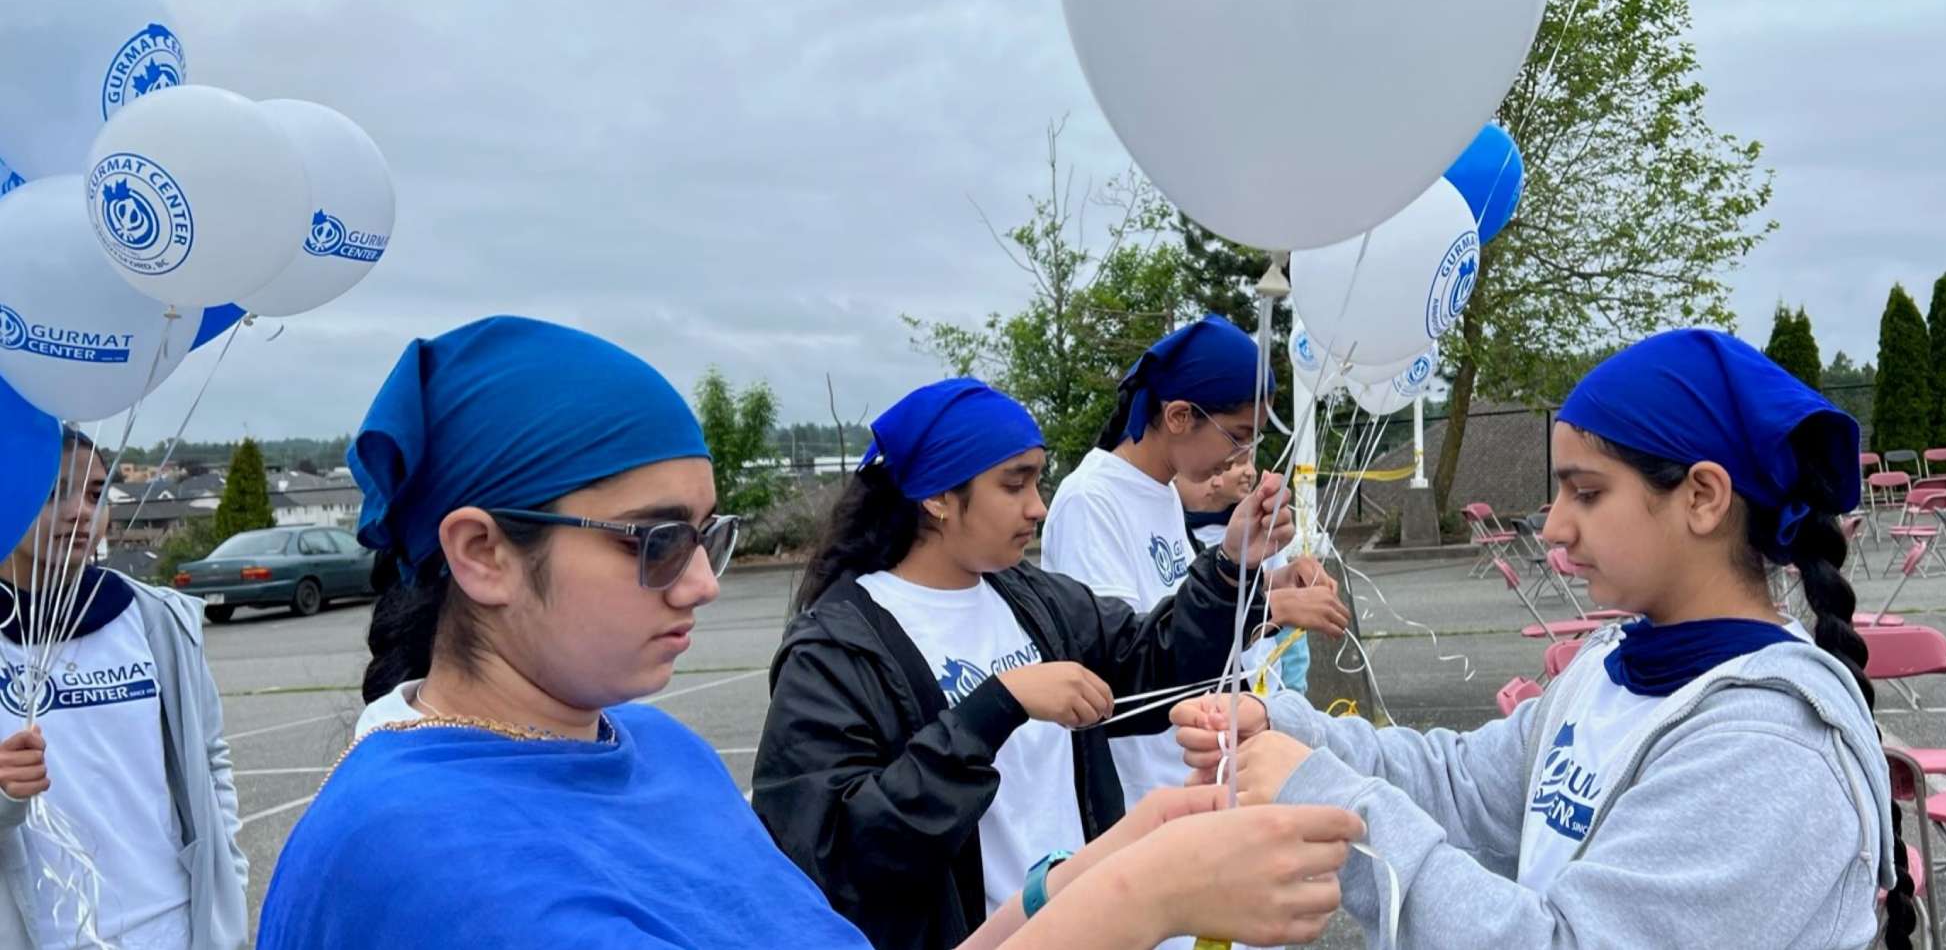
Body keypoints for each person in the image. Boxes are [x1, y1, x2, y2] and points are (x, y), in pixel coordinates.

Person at [258, 317, 1359, 950]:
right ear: (483, 553)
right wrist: (1138, 897)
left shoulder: (654, 748)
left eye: (708, 535)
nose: (701, 583)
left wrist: (1100, 866)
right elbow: (852, 859)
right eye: (655, 541)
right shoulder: (422, 852)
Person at [1174, 329, 1915, 949]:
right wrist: (1289, 731)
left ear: (1702, 497)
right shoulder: (1613, 666)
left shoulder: (1766, 753)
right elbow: (1466, 788)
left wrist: (1327, 796)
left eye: (1587, 493)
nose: (1556, 526)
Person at [754, 377, 1302, 950]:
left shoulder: (1030, 597)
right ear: (937, 497)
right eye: (1014, 484)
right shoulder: (836, 651)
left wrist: (1229, 567)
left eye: (1038, 481)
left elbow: (1154, 658)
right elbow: (835, 858)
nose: (1038, 506)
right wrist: (993, 708)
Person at [1041, 316, 1347, 821]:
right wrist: (1269, 608)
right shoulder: (1090, 501)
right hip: (1144, 794)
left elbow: (1184, 606)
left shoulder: (1162, 493)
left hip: (1193, 773)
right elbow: (1127, 660)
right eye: (1238, 436)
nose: (1242, 457)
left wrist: (1266, 579)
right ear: (1180, 416)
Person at [0, 427, 246, 950]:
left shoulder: (156, 620)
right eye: (54, 492)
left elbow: (209, 761)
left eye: (95, 494)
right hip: (44, 936)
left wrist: (229, 882)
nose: (80, 512)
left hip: (173, 929)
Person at [1177, 463, 1308, 694]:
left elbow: (1290, 633)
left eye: (1250, 458)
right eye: (1235, 461)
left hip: (1264, 695)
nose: (1250, 471)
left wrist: (1293, 694)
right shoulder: (1177, 530)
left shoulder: (1263, 529)